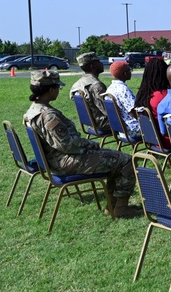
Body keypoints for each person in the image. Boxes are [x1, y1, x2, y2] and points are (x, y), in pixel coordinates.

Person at [23, 69, 138, 218]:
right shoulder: (48, 115)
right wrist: (89, 144)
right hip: (65, 161)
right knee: (125, 161)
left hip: (56, 159)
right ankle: (120, 208)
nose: (58, 90)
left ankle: (113, 206)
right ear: (51, 89)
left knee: (114, 158)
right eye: (58, 87)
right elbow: (67, 145)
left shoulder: (33, 110)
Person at [70, 52, 109, 132]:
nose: (101, 63)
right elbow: (107, 111)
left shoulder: (77, 84)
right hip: (103, 124)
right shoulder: (96, 86)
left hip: (90, 123)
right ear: (93, 66)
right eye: (98, 62)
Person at [106, 60, 140, 141]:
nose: (131, 72)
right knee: (157, 126)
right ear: (125, 73)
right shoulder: (123, 89)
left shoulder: (110, 89)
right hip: (132, 130)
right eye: (129, 70)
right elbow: (133, 112)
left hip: (121, 130)